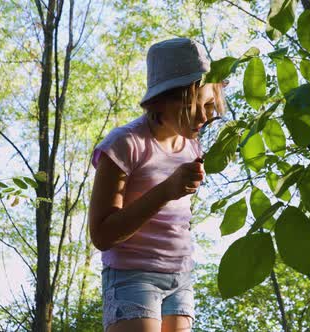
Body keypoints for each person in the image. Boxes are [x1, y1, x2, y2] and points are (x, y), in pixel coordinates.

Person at [88, 38, 226, 332]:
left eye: (209, 105)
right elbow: (102, 234)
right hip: (131, 275)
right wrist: (165, 190)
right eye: (193, 106)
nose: (203, 117)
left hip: (180, 277)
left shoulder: (192, 146)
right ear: (161, 101)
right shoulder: (125, 144)